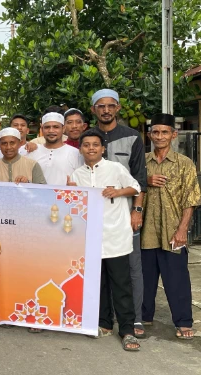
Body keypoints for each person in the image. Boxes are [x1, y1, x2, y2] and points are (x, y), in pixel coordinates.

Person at [69, 129, 141, 352]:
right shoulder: (76, 175)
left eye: (95, 145)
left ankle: (127, 330)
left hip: (115, 235)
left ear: (103, 148)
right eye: (87, 145)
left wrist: (118, 192)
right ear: (81, 149)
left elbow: (136, 187)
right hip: (90, 238)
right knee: (98, 284)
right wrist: (70, 192)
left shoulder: (115, 168)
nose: (91, 148)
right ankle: (105, 324)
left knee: (121, 284)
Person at [91, 88, 147, 338]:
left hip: (124, 216)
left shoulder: (132, 137)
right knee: (99, 271)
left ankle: (133, 320)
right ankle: (103, 319)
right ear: (94, 110)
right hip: (94, 221)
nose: (105, 110)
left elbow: (140, 179)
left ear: (118, 108)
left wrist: (137, 210)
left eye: (110, 106)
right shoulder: (87, 138)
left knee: (129, 270)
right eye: (100, 106)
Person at [141, 113, 200, 340]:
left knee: (176, 278)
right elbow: (131, 188)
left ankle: (183, 321)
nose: (160, 136)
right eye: (156, 132)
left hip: (172, 231)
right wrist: (145, 180)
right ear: (150, 135)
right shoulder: (142, 162)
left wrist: (183, 229)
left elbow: (191, 199)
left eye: (165, 132)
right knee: (145, 277)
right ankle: (144, 315)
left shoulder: (185, 164)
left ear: (173, 135)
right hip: (145, 231)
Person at [25, 113, 82, 185]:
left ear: (63, 129)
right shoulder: (31, 151)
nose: (51, 131)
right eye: (47, 127)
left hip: (64, 195)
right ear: (42, 129)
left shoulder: (76, 154)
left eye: (56, 127)